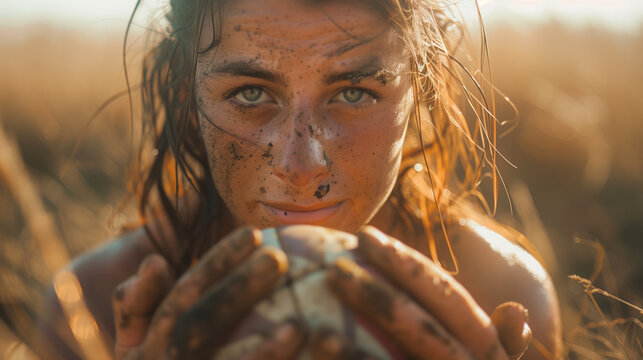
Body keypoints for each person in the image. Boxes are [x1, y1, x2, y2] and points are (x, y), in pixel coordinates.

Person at [33, 0, 562, 359]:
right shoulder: (96, 304)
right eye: (250, 93)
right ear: (185, 99)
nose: (302, 163)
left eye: (354, 94)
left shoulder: (499, 296)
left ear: (418, 92)